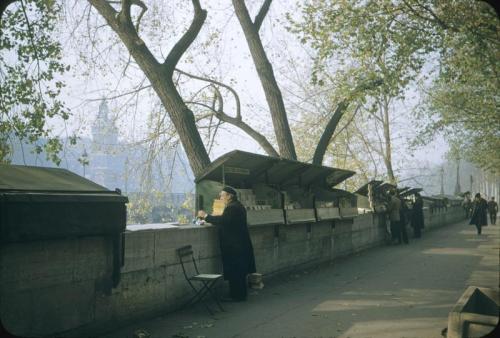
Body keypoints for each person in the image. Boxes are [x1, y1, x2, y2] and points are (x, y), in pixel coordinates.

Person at [197, 187, 256, 301]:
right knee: (238, 272)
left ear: (229, 196)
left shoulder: (232, 208)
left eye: (222, 195)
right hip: (239, 244)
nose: (221, 197)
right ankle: (239, 295)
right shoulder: (237, 206)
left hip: (235, 246)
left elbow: (224, 220)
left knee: (236, 272)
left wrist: (206, 216)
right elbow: (226, 220)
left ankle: (237, 296)